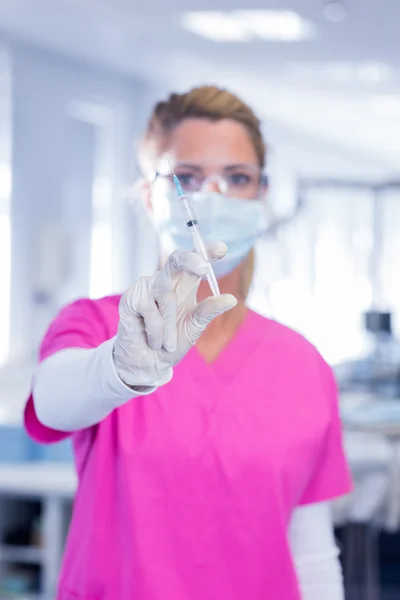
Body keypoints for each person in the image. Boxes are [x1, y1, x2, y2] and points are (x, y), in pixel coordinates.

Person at [25, 85, 352, 600]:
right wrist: (118, 369)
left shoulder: (304, 366)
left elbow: (310, 553)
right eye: (188, 178)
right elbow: (52, 400)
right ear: (147, 195)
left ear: (261, 195)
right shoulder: (99, 324)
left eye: (237, 177)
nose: (212, 196)